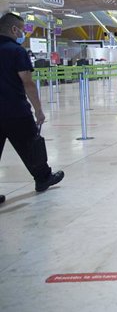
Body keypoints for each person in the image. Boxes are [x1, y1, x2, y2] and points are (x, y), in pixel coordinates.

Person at [0, 12, 64, 205]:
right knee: (31, 144)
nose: (22, 33)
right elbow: (27, 83)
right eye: (21, 29)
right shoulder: (16, 51)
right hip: (15, 110)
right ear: (13, 29)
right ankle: (43, 177)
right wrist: (38, 110)